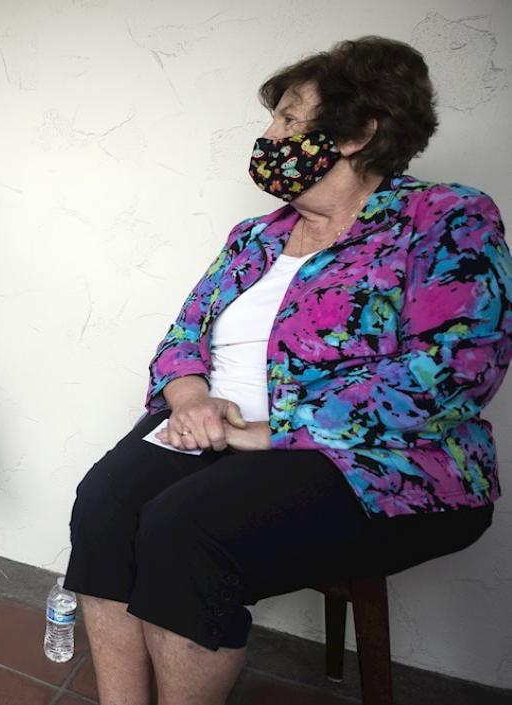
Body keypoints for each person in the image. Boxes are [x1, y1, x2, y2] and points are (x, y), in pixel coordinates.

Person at [64, 37, 510, 705]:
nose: (269, 133)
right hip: (218, 433)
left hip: (372, 456)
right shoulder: (254, 236)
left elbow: (454, 369)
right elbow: (183, 337)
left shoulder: (445, 219)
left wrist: (271, 431)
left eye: (290, 117)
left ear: (359, 130)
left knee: (184, 530)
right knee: (103, 504)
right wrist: (189, 399)